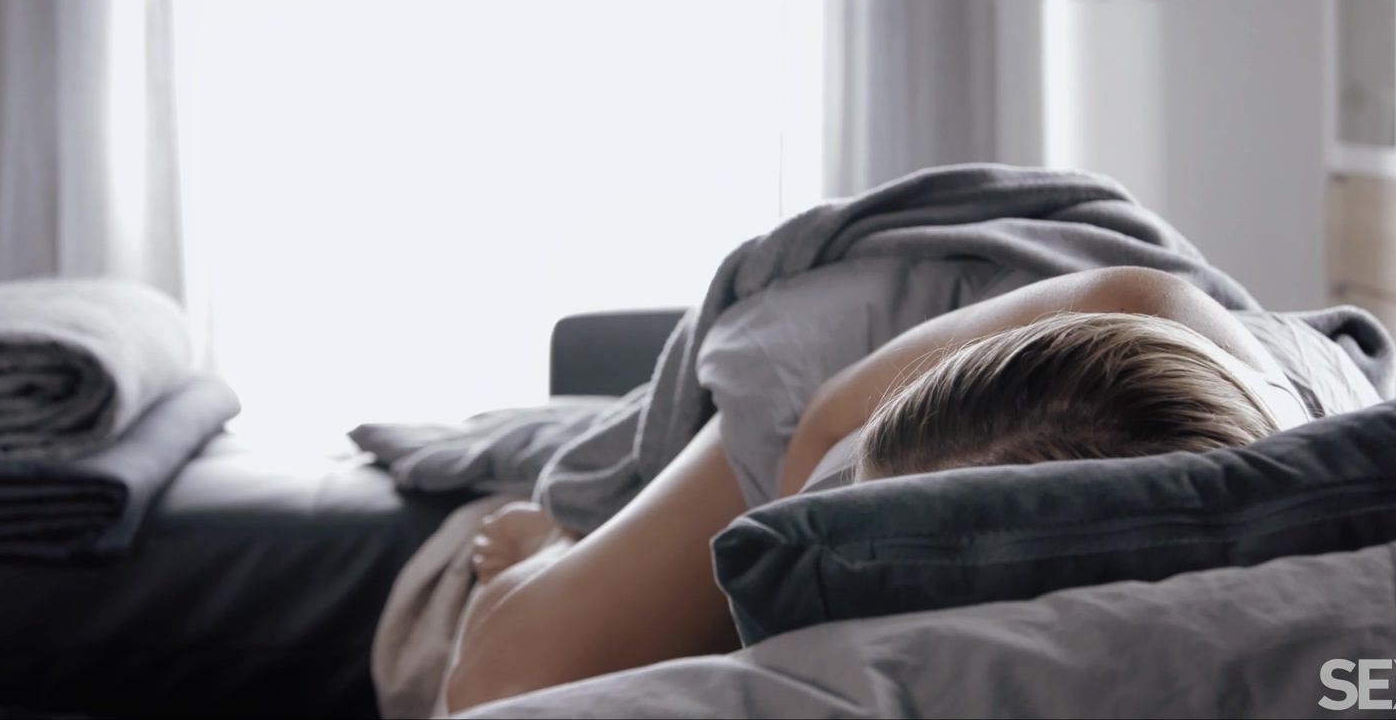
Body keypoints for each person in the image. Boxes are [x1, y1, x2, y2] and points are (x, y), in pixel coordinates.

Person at [444, 266, 1327, 712]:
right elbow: (822, 421)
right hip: (884, 340)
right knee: (504, 683)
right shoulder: (1140, 303)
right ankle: (557, 538)